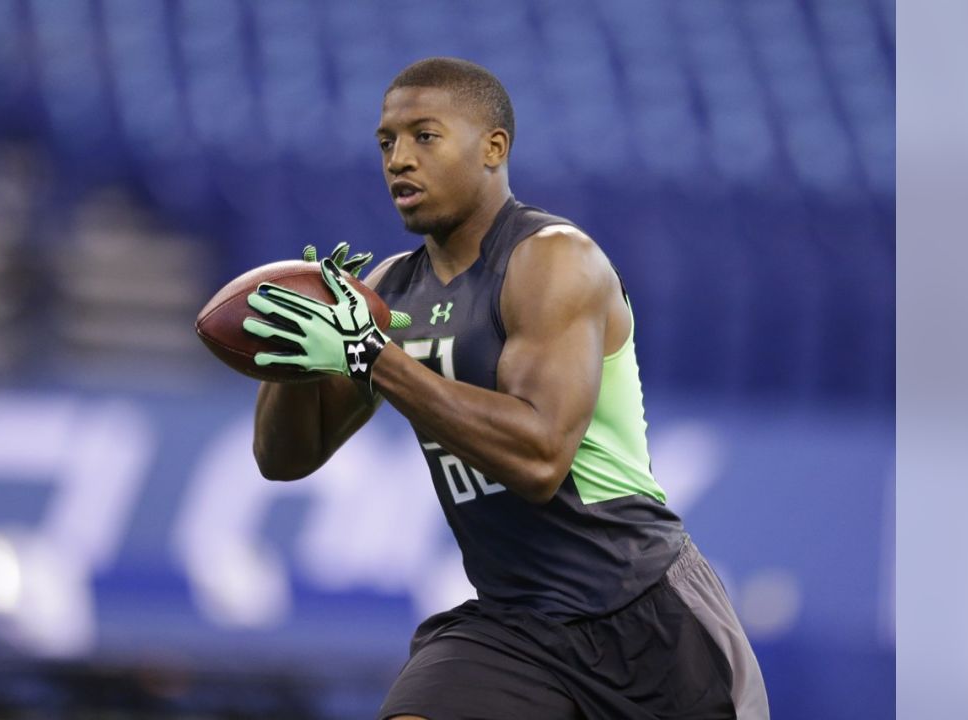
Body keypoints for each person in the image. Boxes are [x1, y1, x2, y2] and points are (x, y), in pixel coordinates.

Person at [241, 57, 768, 720]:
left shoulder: (553, 259)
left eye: (424, 136)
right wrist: (298, 360)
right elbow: (286, 459)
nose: (399, 159)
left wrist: (373, 356)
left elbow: (539, 457)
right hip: (517, 627)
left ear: (494, 147)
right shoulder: (391, 289)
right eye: (386, 142)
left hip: (646, 614)